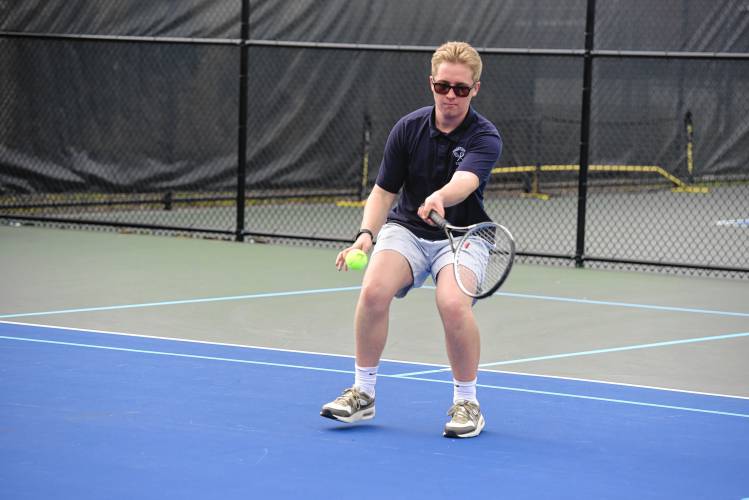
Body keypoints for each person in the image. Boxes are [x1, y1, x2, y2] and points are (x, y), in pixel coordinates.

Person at [320, 41, 502, 438]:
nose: (450, 96)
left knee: (453, 304)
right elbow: (384, 192)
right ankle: (363, 395)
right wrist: (365, 236)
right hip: (407, 230)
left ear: (475, 90)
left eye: (461, 88)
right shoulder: (408, 128)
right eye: (443, 86)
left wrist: (440, 196)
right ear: (431, 83)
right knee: (372, 293)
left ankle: (467, 403)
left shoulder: (485, 136)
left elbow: (465, 181)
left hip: (463, 234)